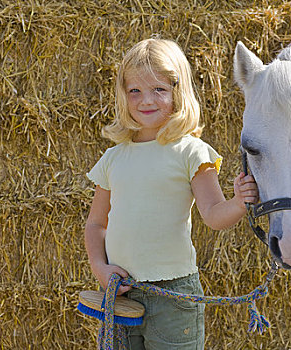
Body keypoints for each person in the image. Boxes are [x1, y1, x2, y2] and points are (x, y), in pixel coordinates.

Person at [84, 38, 258, 350]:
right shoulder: (113, 157)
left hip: (174, 297)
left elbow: (214, 215)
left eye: (159, 90)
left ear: (177, 93)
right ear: (123, 95)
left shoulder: (191, 152)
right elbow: (96, 225)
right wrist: (100, 267)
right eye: (134, 90)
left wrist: (239, 202)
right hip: (121, 292)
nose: (145, 100)